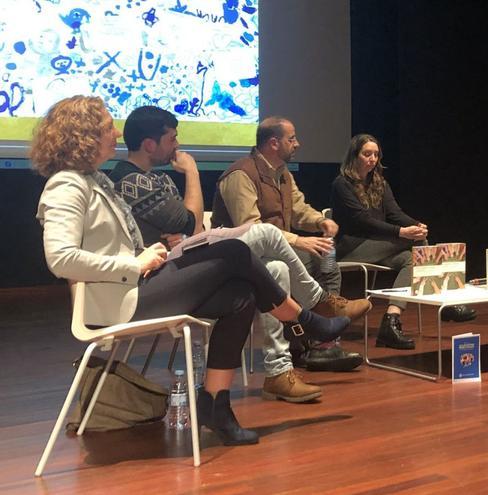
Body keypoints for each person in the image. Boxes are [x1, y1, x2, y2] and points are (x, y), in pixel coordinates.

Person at [31, 96, 349, 446]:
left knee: (240, 297)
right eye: (108, 127)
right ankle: (303, 319)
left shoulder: (93, 181)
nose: (117, 132)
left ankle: (216, 405)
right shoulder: (66, 185)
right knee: (233, 251)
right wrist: (132, 264)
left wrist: (145, 253)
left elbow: (112, 242)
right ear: (85, 134)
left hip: (133, 287)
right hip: (115, 301)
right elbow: (60, 258)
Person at [110, 108, 368, 401]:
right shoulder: (129, 179)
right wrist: (193, 173)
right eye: (173, 138)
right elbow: (189, 223)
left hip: (186, 262)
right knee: (266, 234)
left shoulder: (160, 180)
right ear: (149, 145)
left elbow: (186, 228)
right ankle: (319, 304)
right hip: (170, 274)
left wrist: (318, 223)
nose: (178, 145)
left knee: (278, 271)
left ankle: (278, 372)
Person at [330, 134, 477, 350]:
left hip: (378, 245)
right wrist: (402, 232)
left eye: (376, 154)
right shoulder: (342, 184)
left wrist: (416, 225)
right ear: (354, 155)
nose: (372, 159)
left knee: (412, 259)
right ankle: (444, 302)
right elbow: (362, 221)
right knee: (416, 242)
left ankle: (391, 321)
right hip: (351, 247)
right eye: (367, 154)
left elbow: (395, 213)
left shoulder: (379, 182)